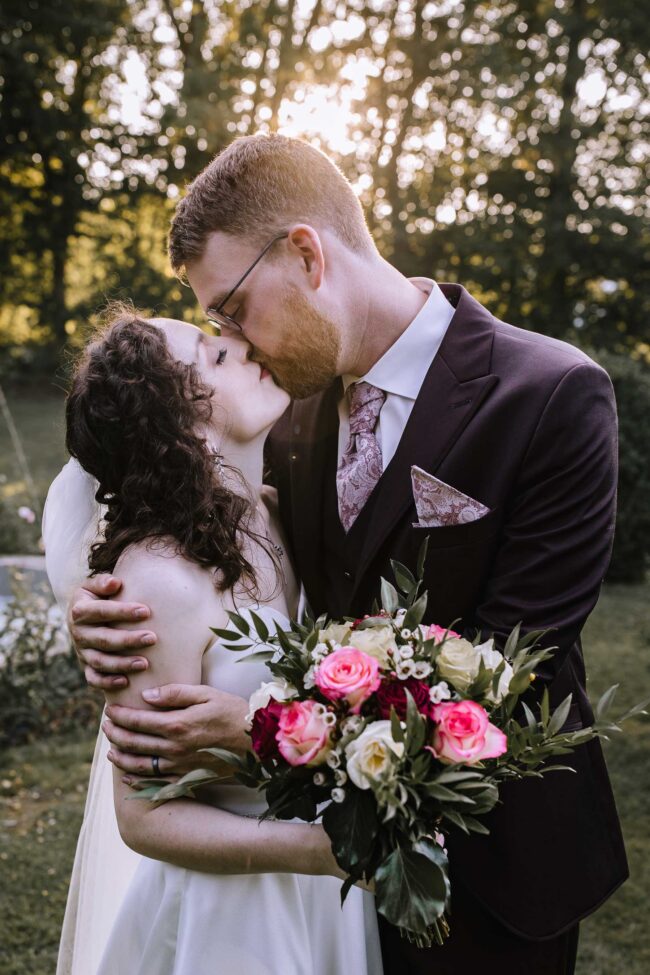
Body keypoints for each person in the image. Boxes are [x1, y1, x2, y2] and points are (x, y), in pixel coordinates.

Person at [48, 133, 628, 974]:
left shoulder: (550, 396)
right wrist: (99, 600)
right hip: (318, 901)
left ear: (307, 255)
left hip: (493, 876)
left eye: (233, 309)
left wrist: (266, 735)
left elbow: (510, 679)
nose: (233, 340)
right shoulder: (278, 411)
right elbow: (187, 526)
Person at [46, 305, 382, 975]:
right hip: (231, 921)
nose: (240, 342)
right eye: (214, 356)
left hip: (324, 896)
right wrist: (321, 850)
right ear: (184, 426)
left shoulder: (276, 510)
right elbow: (144, 817)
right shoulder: (158, 583)